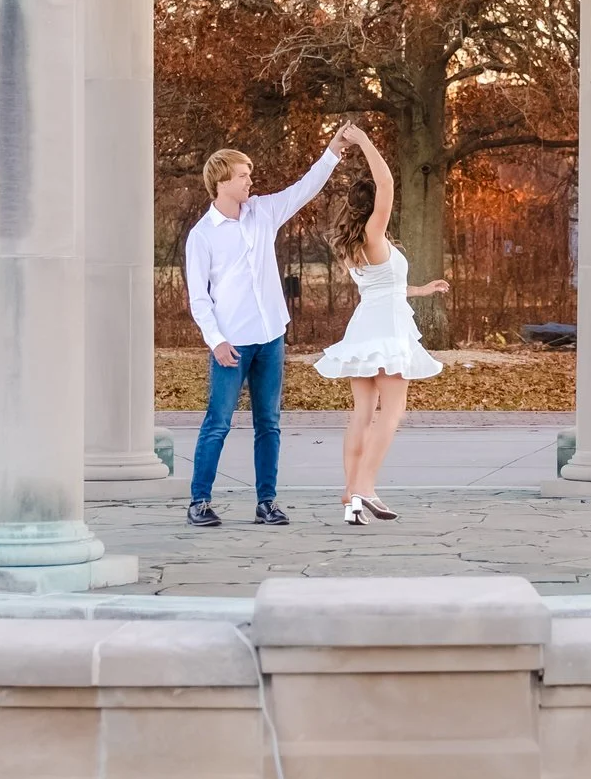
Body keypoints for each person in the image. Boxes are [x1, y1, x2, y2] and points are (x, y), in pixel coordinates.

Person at [183, 126, 355, 526]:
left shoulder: (263, 212)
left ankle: (267, 502)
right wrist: (216, 341)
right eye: (243, 175)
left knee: (270, 424)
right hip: (231, 346)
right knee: (218, 424)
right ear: (222, 181)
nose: (250, 180)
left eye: (249, 174)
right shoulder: (202, 236)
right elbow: (198, 298)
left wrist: (332, 150)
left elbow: (304, 188)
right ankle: (198, 502)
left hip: (271, 337)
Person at [312, 124, 445, 525]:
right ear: (374, 208)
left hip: (366, 327)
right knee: (392, 412)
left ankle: (351, 496)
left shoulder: (353, 244)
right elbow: (386, 180)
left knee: (362, 413)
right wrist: (365, 141)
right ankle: (364, 487)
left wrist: (421, 290)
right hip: (386, 331)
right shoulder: (373, 233)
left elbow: (385, 288)